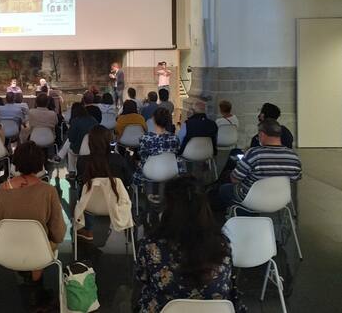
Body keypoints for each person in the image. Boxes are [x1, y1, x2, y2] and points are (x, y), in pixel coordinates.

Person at [134, 175, 245, 312]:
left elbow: (142, 277)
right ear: (204, 207)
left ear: (168, 208)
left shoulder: (151, 246)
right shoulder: (222, 244)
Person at [0, 141, 66, 307]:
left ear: (16, 162)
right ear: (40, 163)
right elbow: (59, 233)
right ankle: (34, 286)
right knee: (43, 240)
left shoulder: (3, 189)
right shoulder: (49, 191)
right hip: (39, 250)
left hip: (6, 249)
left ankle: (27, 277)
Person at [219, 118, 302, 207]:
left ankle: (239, 212)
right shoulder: (293, 156)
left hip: (252, 200)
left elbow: (235, 179)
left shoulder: (254, 153)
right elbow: (295, 178)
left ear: (261, 134)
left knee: (224, 188)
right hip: (281, 200)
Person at [76, 126, 133, 241]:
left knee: (80, 188)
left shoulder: (82, 161)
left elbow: (81, 183)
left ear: (90, 143)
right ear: (109, 142)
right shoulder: (119, 159)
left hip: (89, 205)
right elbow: (129, 181)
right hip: (116, 203)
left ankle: (87, 228)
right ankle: (126, 225)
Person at [133, 108, 184, 187]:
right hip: (170, 171)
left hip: (150, 171)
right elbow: (177, 154)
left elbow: (142, 156)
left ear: (153, 120)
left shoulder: (146, 138)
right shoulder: (174, 138)